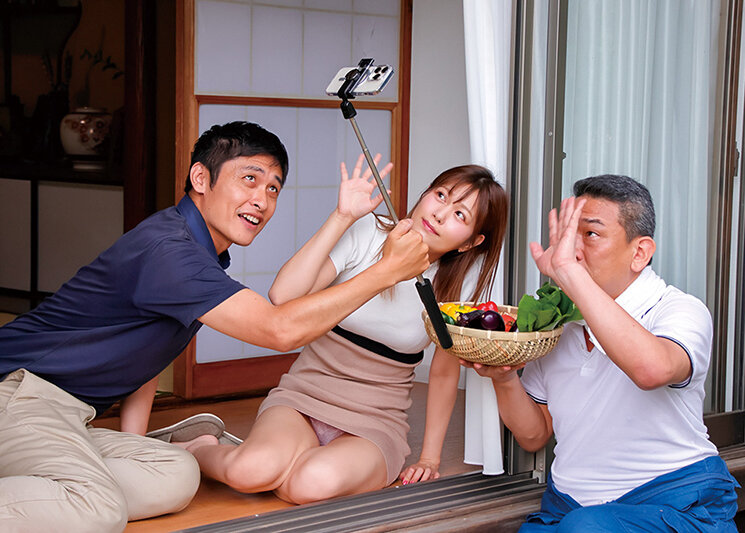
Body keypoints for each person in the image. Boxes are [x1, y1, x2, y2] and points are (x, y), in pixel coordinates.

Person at [0, 121, 430, 533]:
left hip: (69, 415)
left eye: (273, 188)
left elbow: (147, 353)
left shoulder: (198, 251)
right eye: (250, 179)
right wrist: (385, 271)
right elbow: (279, 331)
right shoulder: (170, 252)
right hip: (18, 392)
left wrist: (136, 447)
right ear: (201, 178)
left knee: (175, 476)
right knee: (97, 509)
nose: (262, 200)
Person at [180, 158, 509, 504]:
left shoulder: (458, 288)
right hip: (304, 396)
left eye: (460, 215)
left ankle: (287, 461)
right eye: (441, 195)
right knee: (250, 472)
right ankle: (199, 448)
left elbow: (443, 374)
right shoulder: (369, 232)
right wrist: (342, 216)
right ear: (426, 193)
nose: (440, 213)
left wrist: (429, 458)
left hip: (375, 422)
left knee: (308, 484)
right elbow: (283, 296)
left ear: (470, 243)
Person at [465, 175, 739, 532]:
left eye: (590, 234)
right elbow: (534, 435)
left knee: (586, 527)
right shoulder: (558, 323)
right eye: (569, 234)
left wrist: (570, 274)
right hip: (567, 507)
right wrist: (503, 378)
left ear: (639, 253)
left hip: (673, 503)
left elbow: (651, 370)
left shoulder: (678, 309)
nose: (572, 249)